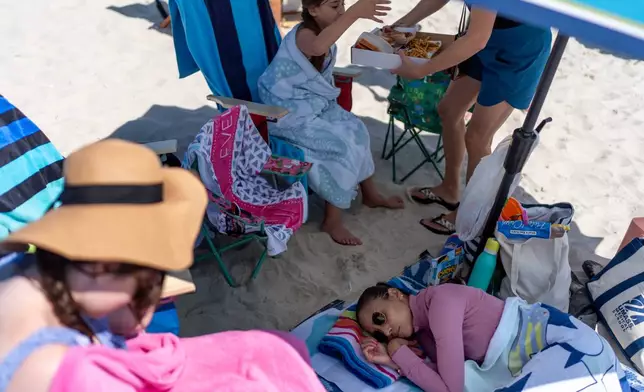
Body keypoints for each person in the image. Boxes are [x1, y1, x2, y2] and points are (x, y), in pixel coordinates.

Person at [0, 140, 322, 392]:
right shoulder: (68, 373)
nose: (145, 311)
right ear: (107, 265)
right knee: (273, 359)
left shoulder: (21, 268)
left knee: (277, 350)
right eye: (145, 287)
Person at [391, 0, 552, 235]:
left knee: (478, 137)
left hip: (519, 48)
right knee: (449, 110)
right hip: (484, 37)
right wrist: (403, 24)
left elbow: (477, 39)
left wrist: (421, 70)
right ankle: (449, 188)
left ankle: (470, 213)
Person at [258, 0, 404, 247]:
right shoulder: (305, 35)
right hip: (286, 114)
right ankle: (332, 219)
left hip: (313, 106)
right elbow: (317, 47)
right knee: (339, 146)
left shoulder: (325, 34)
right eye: (335, 6)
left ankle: (370, 194)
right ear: (313, 10)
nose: (342, 11)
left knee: (357, 129)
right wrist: (355, 13)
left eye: (344, 5)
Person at [355, 283, 626, 392]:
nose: (387, 331)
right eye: (378, 332)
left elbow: (451, 389)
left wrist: (397, 351)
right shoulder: (425, 333)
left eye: (381, 318)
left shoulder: (440, 301)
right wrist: (394, 362)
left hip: (563, 343)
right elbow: (445, 378)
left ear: (394, 293)